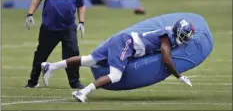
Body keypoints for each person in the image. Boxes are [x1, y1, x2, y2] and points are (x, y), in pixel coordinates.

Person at [41, 18, 195, 102]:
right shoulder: (167, 37)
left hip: (123, 41)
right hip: (126, 44)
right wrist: (179, 76)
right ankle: (83, 92)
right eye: (184, 35)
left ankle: (51, 66)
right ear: (177, 31)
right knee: (115, 76)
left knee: (89, 60)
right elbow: (166, 58)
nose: (185, 39)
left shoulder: (170, 34)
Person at [24, 0, 85, 89]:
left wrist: (81, 21)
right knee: (41, 54)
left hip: (68, 28)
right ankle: (32, 82)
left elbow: (81, 5)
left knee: (73, 54)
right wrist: (30, 13)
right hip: (49, 27)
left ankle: (75, 82)